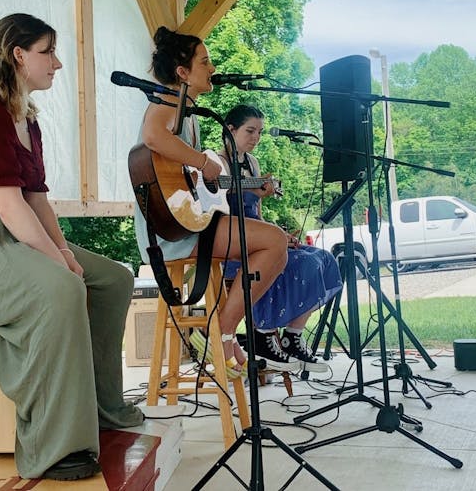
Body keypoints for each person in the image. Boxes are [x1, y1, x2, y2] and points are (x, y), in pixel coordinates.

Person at [0, 13, 143, 481]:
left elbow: (36, 202)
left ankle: (99, 405)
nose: (58, 63)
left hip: (17, 232)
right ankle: (56, 444)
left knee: (113, 278)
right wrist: (60, 265)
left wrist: (65, 253)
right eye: (48, 52)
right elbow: (8, 206)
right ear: (18, 55)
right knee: (60, 288)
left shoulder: (27, 119)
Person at [133, 27, 290, 377]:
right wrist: (203, 162)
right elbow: (153, 136)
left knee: (277, 246)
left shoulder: (186, 112)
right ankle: (220, 331)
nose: (213, 68)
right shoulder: (168, 102)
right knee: (274, 241)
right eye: (205, 62)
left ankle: (222, 331)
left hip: (186, 223)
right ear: (182, 72)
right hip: (170, 232)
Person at [218, 105, 342, 373]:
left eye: (260, 132)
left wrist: (279, 234)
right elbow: (220, 196)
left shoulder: (253, 163)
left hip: (258, 236)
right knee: (294, 263)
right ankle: (263, 334)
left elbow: (257, 213)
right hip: (234, 244)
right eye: (250, 131)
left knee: (322, 258)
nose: (256, 138)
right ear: (230, 130)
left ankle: (292, 336)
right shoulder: (217, 162)